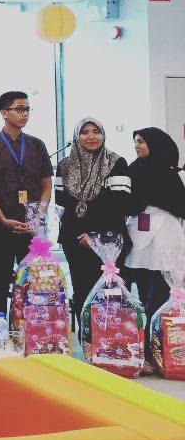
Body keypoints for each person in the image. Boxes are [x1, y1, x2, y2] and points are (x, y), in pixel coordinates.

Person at [0, 91, 53, 311]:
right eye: (19, 109)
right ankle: (1, 326)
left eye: (27, 109)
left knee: (36, 281)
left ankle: (32, 325)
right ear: (4, 112)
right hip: (0, 225)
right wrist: (2, 218)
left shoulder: (37, 145)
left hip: (33, 225)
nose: (24, 114)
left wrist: (38, 215)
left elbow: (46, 184)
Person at [55, 118, 132, 324]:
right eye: (85, 132)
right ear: (76, 137)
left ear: (103, 135)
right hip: (74, 240)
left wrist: (94, 236)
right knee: (82, 291)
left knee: (110, 294)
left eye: (96, 131)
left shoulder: (116, 163)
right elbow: (61, 204)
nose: (91, 136)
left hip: (109, 241)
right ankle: (86, 337)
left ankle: (111, 338)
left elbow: (120, 204)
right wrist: (79, 235)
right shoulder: (64, 166)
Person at [126, 127, 185, 363]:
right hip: (139, 238)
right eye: (136, 142)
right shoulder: (133, 170)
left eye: (141, 141)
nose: (137, 146)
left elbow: (180, 205)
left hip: (166, 236)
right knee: (141, 294)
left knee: (160, 293)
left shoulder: (170, 174)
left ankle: (158, 347)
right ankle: (144, 348)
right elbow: (129, 203)